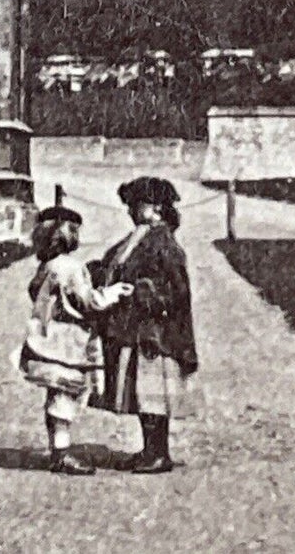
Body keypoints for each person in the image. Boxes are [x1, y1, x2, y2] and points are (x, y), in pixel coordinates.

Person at [89, 176, 199, 474]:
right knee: (139, 390)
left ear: (155, 208)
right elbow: (115, 265)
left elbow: (176, 289)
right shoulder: (139, 237)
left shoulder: (162, 242)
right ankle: (149, 449)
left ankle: (159, 453)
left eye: (135, 205)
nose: (129, 211)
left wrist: (145, 292)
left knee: (152, 394)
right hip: (135, 328)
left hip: (154, 333)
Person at [19, 205, 133, 475]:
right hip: (68, 342)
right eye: (74, 230)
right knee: (65, 395)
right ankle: (61, 454)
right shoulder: (71, 267)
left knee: (55, 393)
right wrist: (114, 292)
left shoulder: (46, 265)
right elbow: (88, 302)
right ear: (65, 234)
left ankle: (56, 448)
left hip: (48, 335)